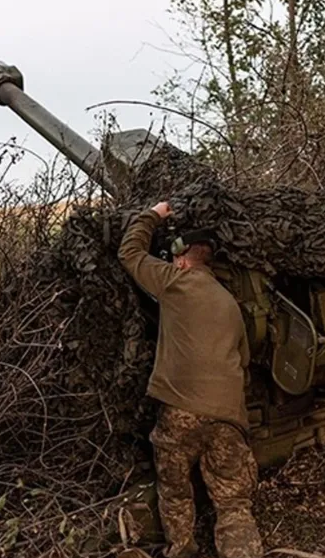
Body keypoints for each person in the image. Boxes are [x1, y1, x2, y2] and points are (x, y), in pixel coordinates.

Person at [118, 201, 264, 558]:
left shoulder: (176, 281)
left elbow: (129, 252)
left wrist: (154, 213)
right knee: (233, 501)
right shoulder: (230, 303)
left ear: (182, 260)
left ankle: (182, 550)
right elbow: (243, 358)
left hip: (182, 411)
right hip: (229, 416)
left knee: (175, 491)